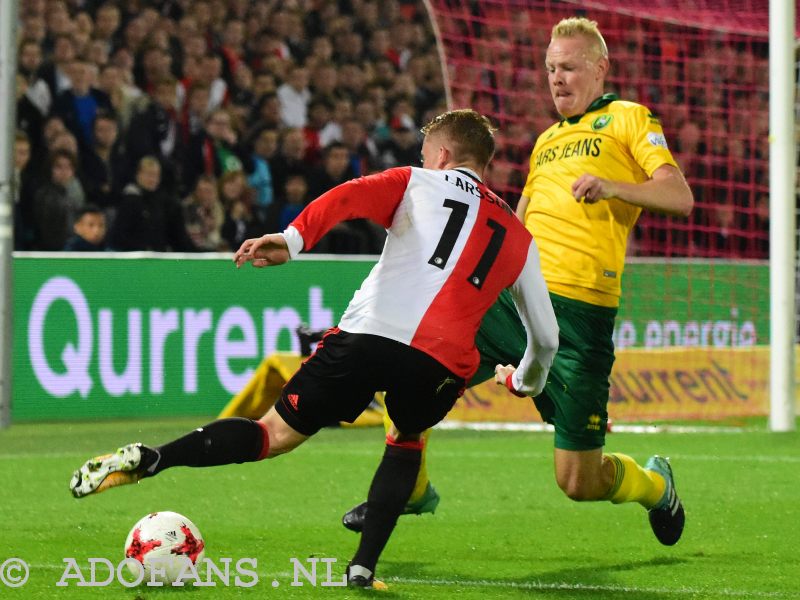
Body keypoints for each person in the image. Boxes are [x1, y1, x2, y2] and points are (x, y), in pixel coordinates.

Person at [68, 109, 559, 589]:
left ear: (444, 155)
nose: (425, 161)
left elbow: (348, 197)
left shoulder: (416, 181)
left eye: (427, 154)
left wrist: (292, 239)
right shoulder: (519, 237)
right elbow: (546, 337)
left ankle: (155, 458)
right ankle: (363, 569)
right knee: (407, 436)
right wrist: (522, 381)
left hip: (369, 334)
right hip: (440, 363)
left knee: (272, 434)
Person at [342, 17, 694, 547]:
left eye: (570, 67)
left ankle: (655, 485)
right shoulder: (547, 141)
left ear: (600, 69)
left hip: (581, 317)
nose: (557, 78)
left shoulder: (627, 118)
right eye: (551, 68)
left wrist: (614, 187)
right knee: (419, 365)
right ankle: (410, 487)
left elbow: (679, 196)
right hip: (513, 306)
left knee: (578, 481)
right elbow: (517, 227)